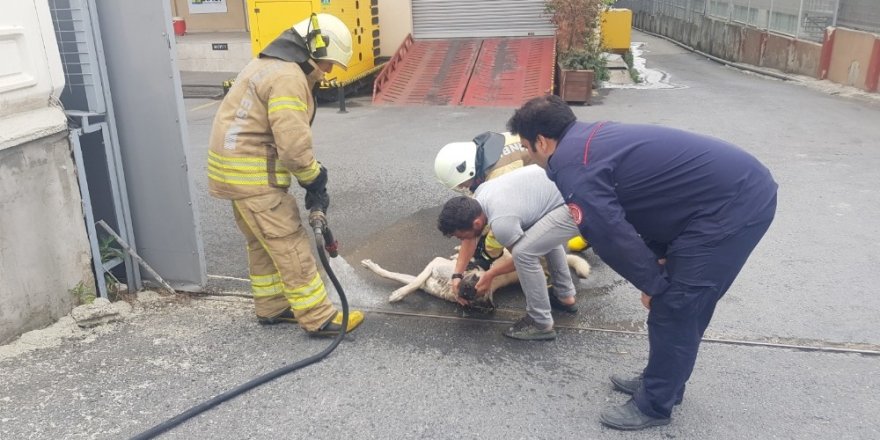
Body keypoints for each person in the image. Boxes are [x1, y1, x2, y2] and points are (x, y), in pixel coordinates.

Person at [507, 95, 777, 429]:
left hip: (732, 205)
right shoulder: (588, 139)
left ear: (542, 142)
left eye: (526, 148)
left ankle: (655, 405)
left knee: (677, 304)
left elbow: (610, 234)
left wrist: (653, 284)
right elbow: (640, 201)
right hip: (714, 198)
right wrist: (658, 261)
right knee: (675, 299)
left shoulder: (574, 166)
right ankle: (661, 380)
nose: (529, 157)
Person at [207, 13, 363, 337]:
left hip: (235, 175)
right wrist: (314, 178)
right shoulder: (289, 77)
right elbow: (292, 147)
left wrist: (309, 178)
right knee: (289, 243)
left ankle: (272, 306)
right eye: (328, 64)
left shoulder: (266, 65)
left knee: (263, 244)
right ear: (313, 51)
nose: (328, 72)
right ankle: (318, 317)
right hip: (254, 179)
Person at [437, 165, 581, 341]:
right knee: (541, 238)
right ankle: (565, 296)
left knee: (524, 253)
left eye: (459, 235)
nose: (460, 239)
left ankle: (540, 322)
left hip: (577, 202)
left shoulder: (501, 222)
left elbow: (521, 259)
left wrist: (490, 274)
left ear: (475, 223)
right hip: (564, 188)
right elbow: (469, 239)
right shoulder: (479, 199)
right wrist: (457, 275)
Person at [434, 132, 590, 253]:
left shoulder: (499, 174)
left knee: (530, 238)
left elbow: (502, 218)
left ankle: (548, 275)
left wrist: (488, 252)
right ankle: (588, 231)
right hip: (563, 162)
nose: (463, 188)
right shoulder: (481, 153)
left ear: (467, 171)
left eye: (462, 184)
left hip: (566, 175)